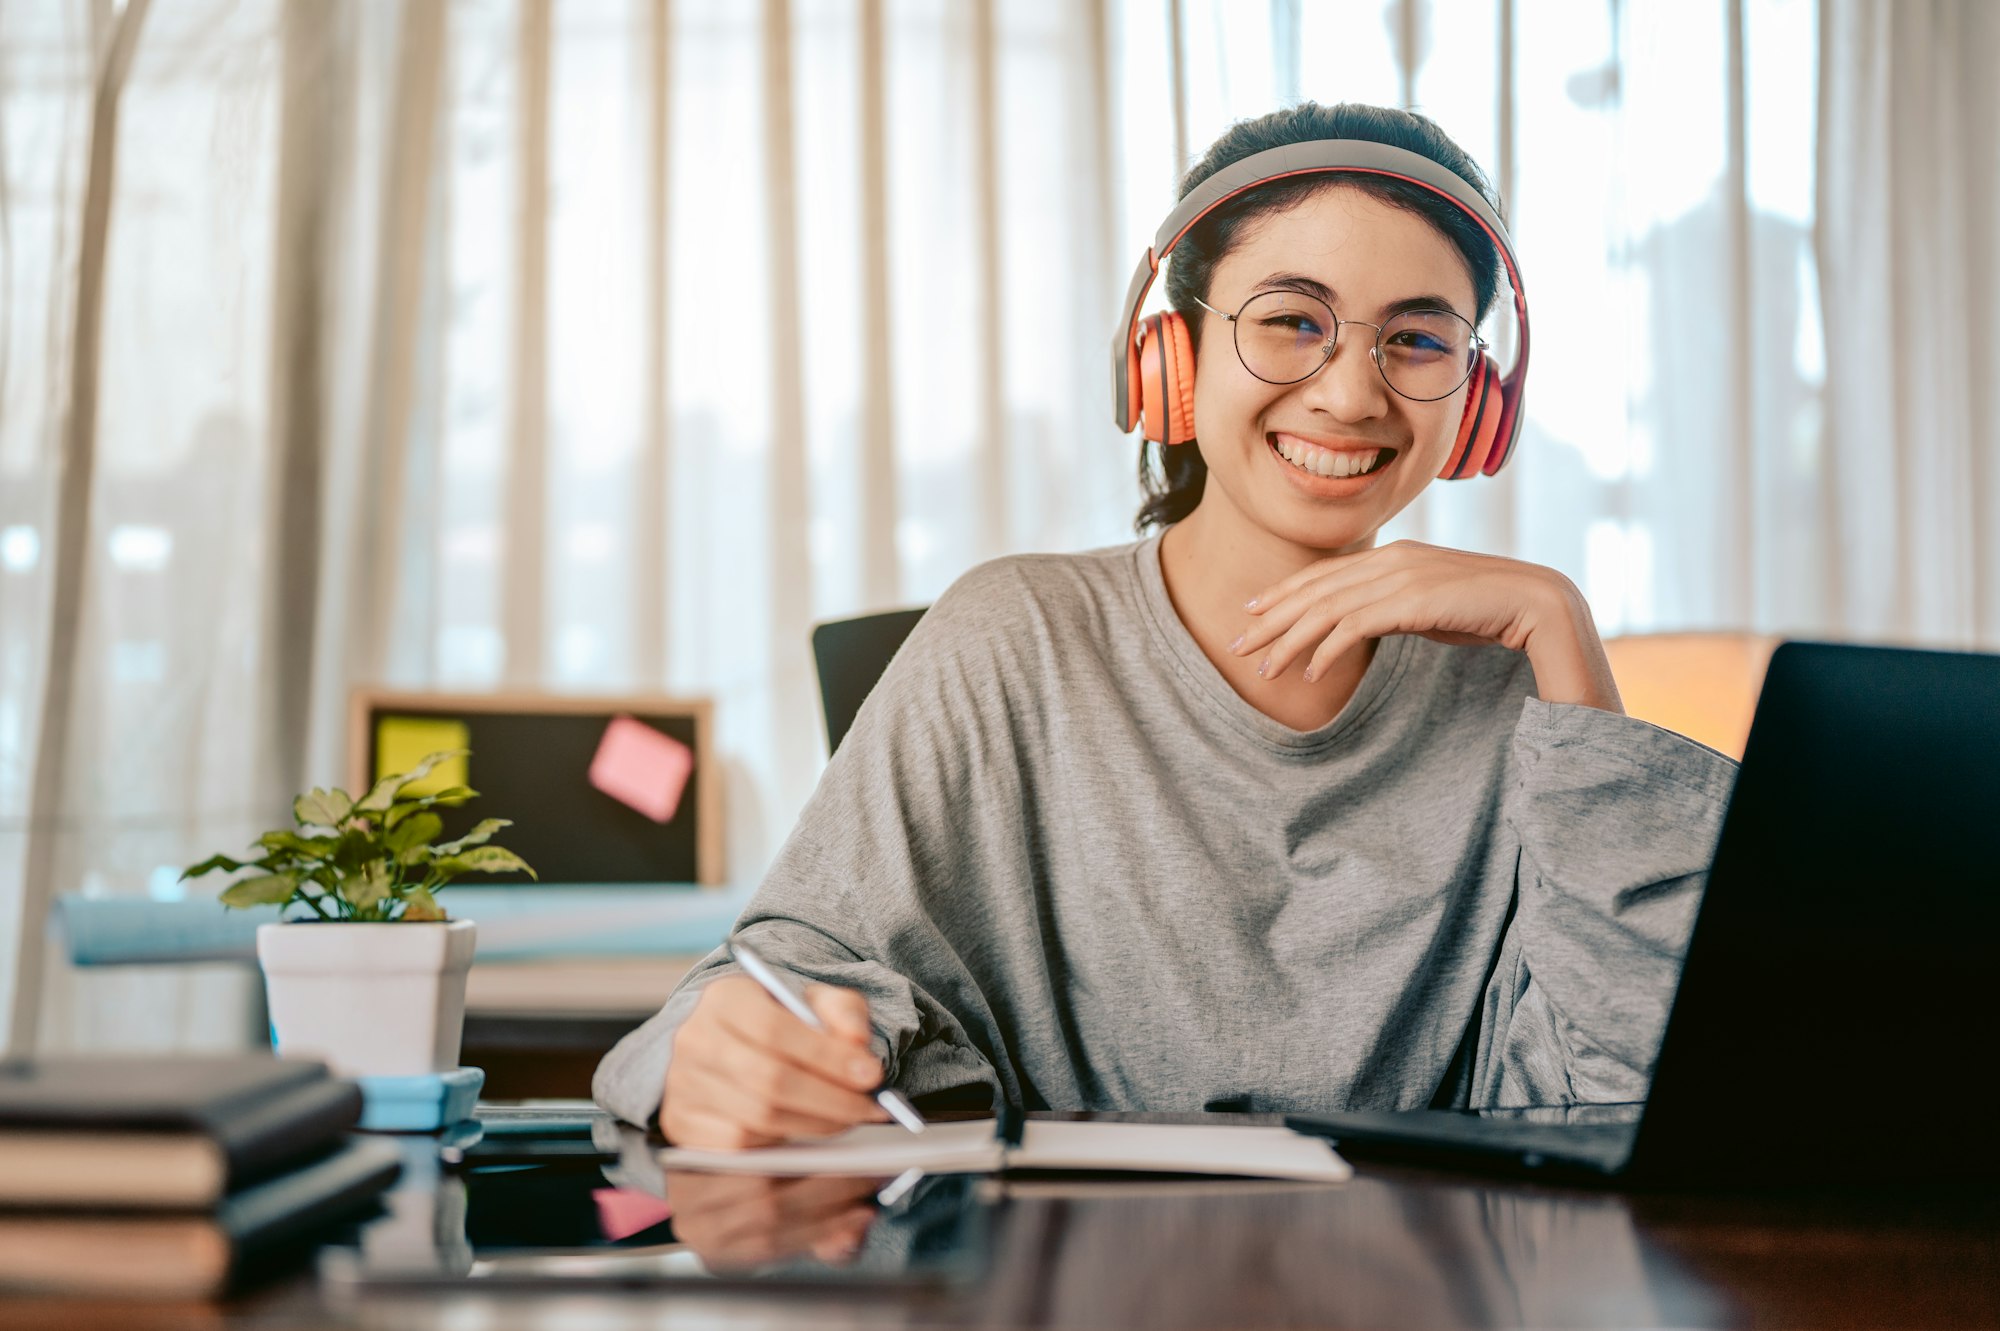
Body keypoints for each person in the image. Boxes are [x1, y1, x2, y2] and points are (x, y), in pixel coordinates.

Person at [594, 102, 1739, 1148]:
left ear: (1480, 405)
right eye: (1291, 321)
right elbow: (770, 979)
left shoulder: (1516, 695)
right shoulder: (1014, 635)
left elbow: (1633, 1090)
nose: (1349, 394)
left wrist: (1559, 625)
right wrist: (723, 1051)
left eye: (1417, 339)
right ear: (1170, 358)